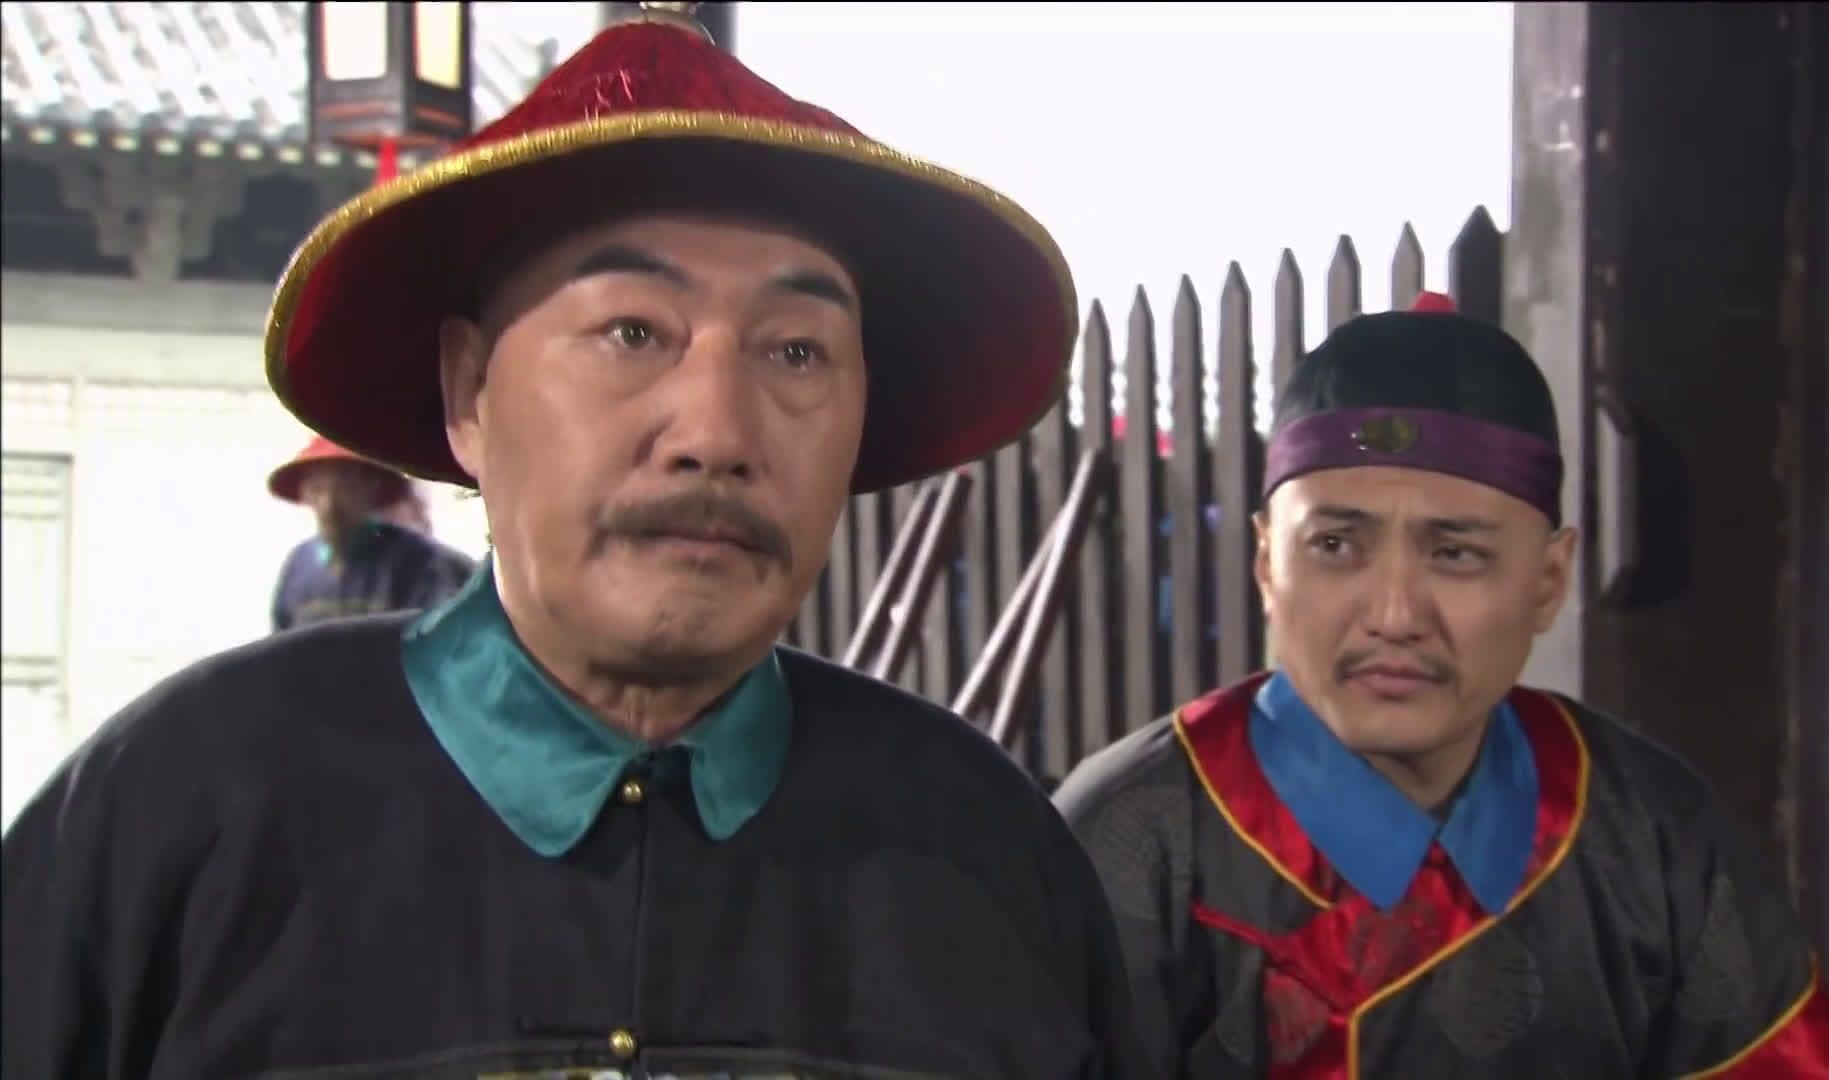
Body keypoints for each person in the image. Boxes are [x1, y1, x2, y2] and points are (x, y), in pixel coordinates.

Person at [0, 8, 1150, 1079]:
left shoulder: (986, 852)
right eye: (633, 331)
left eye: (796, 352)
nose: (716, 434)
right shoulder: (184, 811)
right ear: (468, 391)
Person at [1053, 292, 1829, 1077]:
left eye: (1456, 553)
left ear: (1548, 580)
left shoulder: (1651, 833)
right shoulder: (1130, 837)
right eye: (1335, 545)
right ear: (1269, 563)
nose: (1394, 615)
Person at [267, 433, 477, 631]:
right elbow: (281, 642)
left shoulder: (417, 560)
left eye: (345, 489)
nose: (329, 506)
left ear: (372, 489)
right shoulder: (299, 564)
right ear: (304, 494)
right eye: (317, 489)